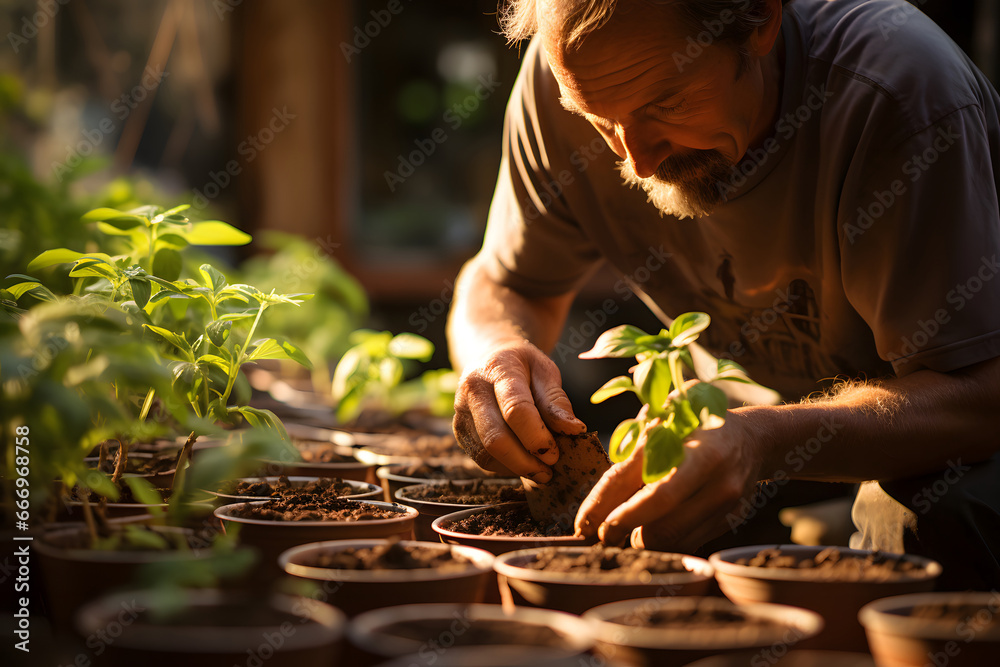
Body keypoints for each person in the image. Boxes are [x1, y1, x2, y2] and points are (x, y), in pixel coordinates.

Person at [447, 0, 1000, 589]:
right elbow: (506, 282)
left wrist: (763, 440)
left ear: (759, 21)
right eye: (599, 122)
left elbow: (979, 398)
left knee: (927, 519)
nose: (633, 159)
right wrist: (498, 353)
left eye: (667, 104)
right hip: (742, 420)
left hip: (930, 428)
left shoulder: (898, 92)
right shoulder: (578, 74)